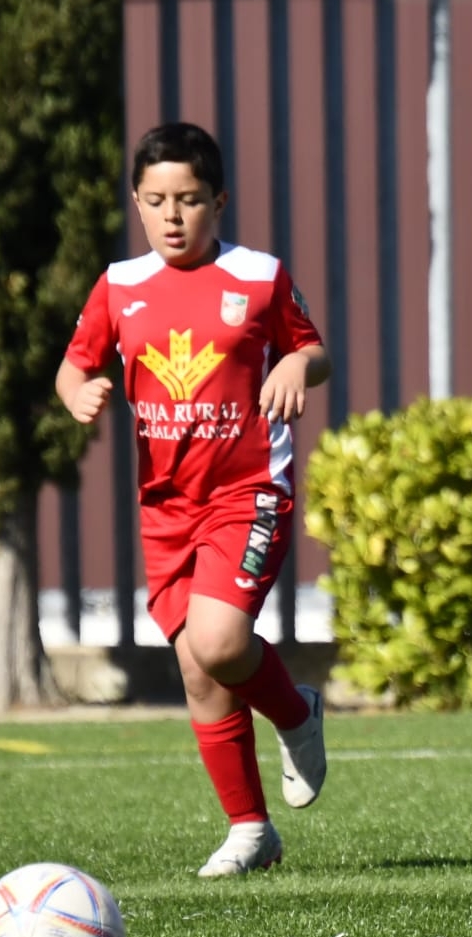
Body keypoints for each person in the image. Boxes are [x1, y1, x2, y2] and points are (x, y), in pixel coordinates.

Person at [56, 122, 330, 878]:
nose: (172, 215)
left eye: (188, 199)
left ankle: (297, 712)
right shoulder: (119, 286)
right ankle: (250, 830)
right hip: (166, 508)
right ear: (137, 204)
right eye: (155, 200)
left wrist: (297, 368)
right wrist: (81, 391)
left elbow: (314, 349)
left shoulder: (259, 277)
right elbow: (72, 366)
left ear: (219, 200)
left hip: (248, 493)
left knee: (218, 641)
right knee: (199, 670)